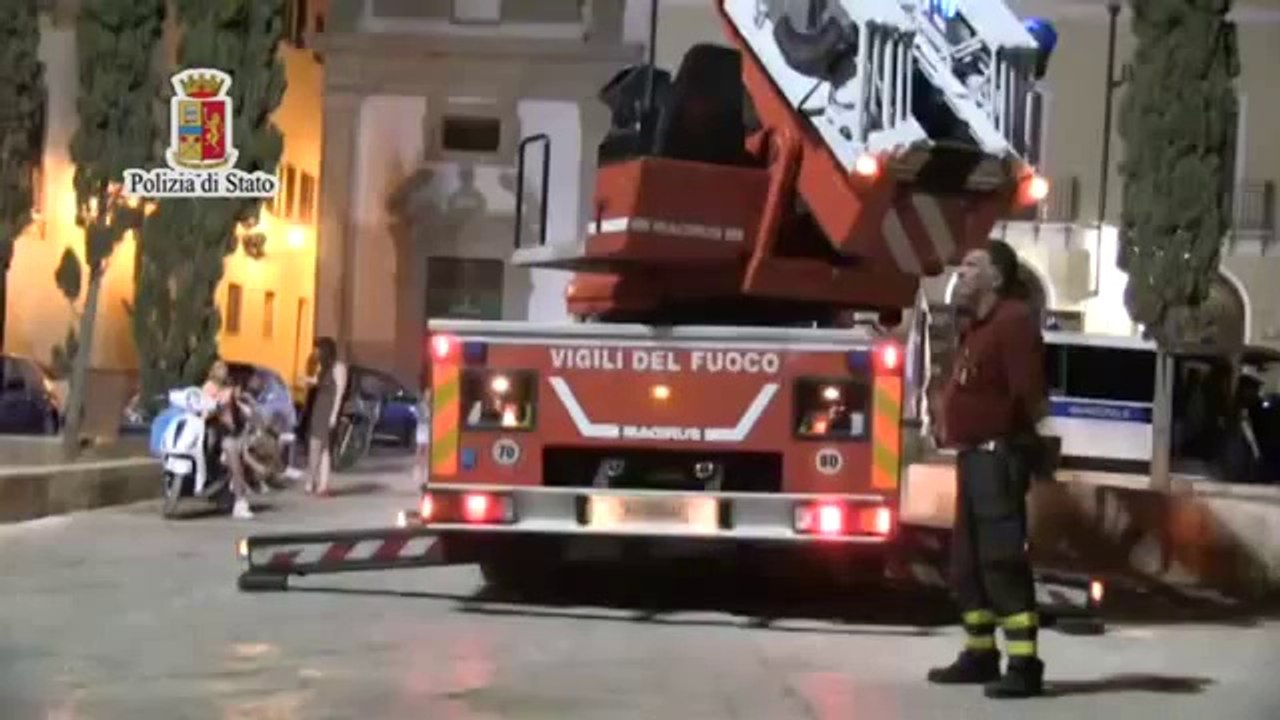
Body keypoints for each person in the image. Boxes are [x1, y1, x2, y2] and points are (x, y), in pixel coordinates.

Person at [927, 240, 1048, 698]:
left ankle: (1024, 665)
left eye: (974, 265)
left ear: (996, 278)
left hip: (998, 458)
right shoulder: (979, 328)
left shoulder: (1014, 322)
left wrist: (1010, 444)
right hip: (974, 456)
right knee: (966, 563)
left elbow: (1029, 395)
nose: (963, 270)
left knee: (1001, 561)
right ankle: (980, 653)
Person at [201, 360, 254, 519]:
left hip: (228, 432)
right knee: (230, 450)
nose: (222, 372)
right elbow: (204, 409)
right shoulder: (208, 388)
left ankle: (239, 500)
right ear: (212, 371)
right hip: (213, 430)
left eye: (224, 369)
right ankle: (238, 498)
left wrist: (239, 402)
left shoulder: (229, 390)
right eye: (218, 369)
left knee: (235, 451)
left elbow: (239, 410)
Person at [304, 337, 347, 496]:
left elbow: (340, 392)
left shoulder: (339, 367)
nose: (316, 352)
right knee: (317, 446)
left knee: (324, 447)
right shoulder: (324, 367)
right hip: (319, 407)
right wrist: (305, 379)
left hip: (329, 408)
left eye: (318, 349)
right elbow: (316, 381)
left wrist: (334, 415)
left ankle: (321, 484)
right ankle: (315, 482)